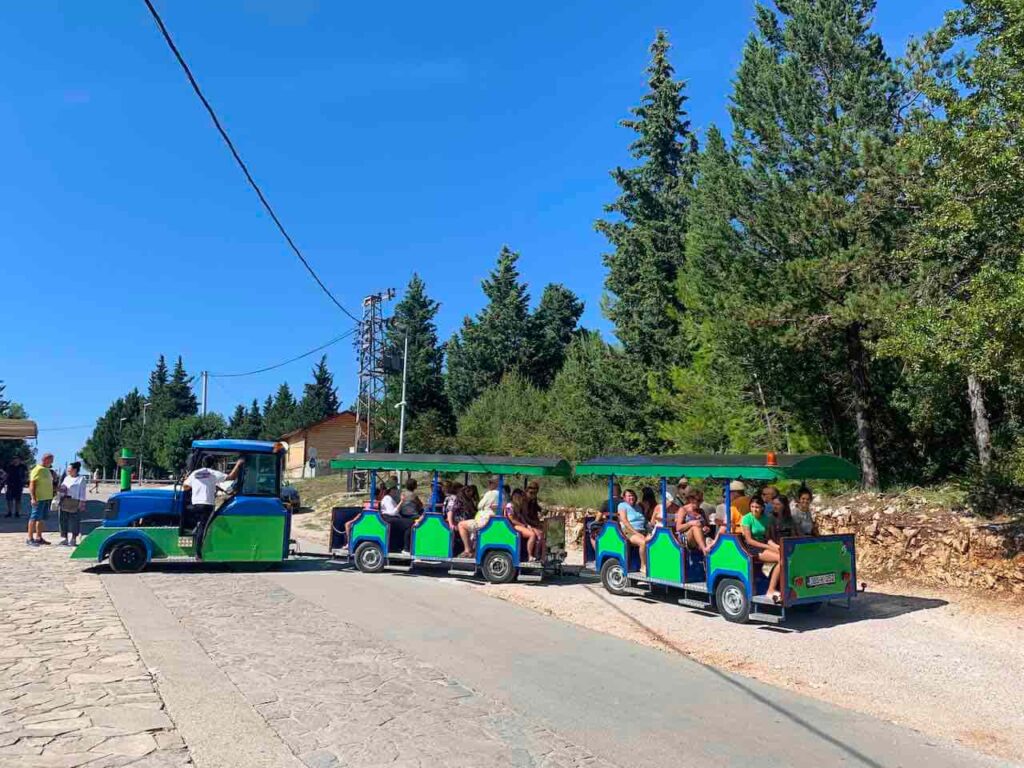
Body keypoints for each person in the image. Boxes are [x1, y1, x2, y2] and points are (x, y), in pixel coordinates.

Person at [183, 456, 245, 557]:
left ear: (203, 464)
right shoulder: (213, 473)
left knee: (198, 522)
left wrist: (197, 485)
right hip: (207, 505)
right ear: (213, 465)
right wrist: (238, 464)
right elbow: (231, 477)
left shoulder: (195, 473)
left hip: (196, 505)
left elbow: (185, 487)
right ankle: (198, 552)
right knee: (204, 527)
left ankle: (194, 532)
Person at [740, 496, 782, 601]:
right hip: (752, 547)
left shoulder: (766, 519)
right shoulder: (746, 518)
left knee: (784, 554)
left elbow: (767, 538)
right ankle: (770, 590)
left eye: (757, 507)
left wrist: (777, 546)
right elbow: (749, 540)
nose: (754, 509)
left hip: (763, 544)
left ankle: (779, 584)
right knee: (780, 560)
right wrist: (767, 546)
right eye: (752, 506)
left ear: (762, 508)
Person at [27, 453, 56, 546]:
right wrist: (33, 498)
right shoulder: (37, 470)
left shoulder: (47, 470)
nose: (52, 462)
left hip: (46, 498)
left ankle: (39, 537)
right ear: (45, 459)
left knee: (41, 519)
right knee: (34, 518)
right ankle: (30, 538)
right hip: (38, 498)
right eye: (51, 460)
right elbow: (32, 484)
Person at [617, 489, 649, 571]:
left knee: (655, 540)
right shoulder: (622, 505)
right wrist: (636, 533)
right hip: (629, 532)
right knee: (643, 542)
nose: (632, 497)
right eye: (629, 496)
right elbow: (625, 521)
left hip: (642, 530)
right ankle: (643, 566)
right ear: (624, 498)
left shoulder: (638, 507)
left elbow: (643, 520)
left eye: (633, 495)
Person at [57, 461, 87, 546]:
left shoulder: (81, 479)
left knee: (75, 520)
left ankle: (74, 538)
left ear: (75, 470)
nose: (68, 470)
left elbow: (82, 491)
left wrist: (82, 502)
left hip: (75, 501)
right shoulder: (66, 478)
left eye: (70, 469)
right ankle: (64, 538)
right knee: (63, 519)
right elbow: (63, 487)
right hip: (64, 500)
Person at [676, 489, 713, 555]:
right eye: (698, 500)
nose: (700, 503)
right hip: (686, 537)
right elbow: (678, 528)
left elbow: (707, 526)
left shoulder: (701, 511)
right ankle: (704, 551)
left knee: (711, 542)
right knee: (695, 527)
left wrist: (706, 528)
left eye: (701, 501)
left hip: (701, 536)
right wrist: (691, 523)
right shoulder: (683, 510)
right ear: (691, 499)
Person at [523, 480, 547, 561]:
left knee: (545, 531)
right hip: (526, 522)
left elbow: (536, 507)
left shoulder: (533, 499)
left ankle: (543, 554)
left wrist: (541, 510)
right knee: (539, 534)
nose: (533, 495)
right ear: (527, 491)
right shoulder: (524, 501)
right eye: (531, 493)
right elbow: (525, 517)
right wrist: (535, 524)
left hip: (532, 520)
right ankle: (535, 555)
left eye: (535, 493)